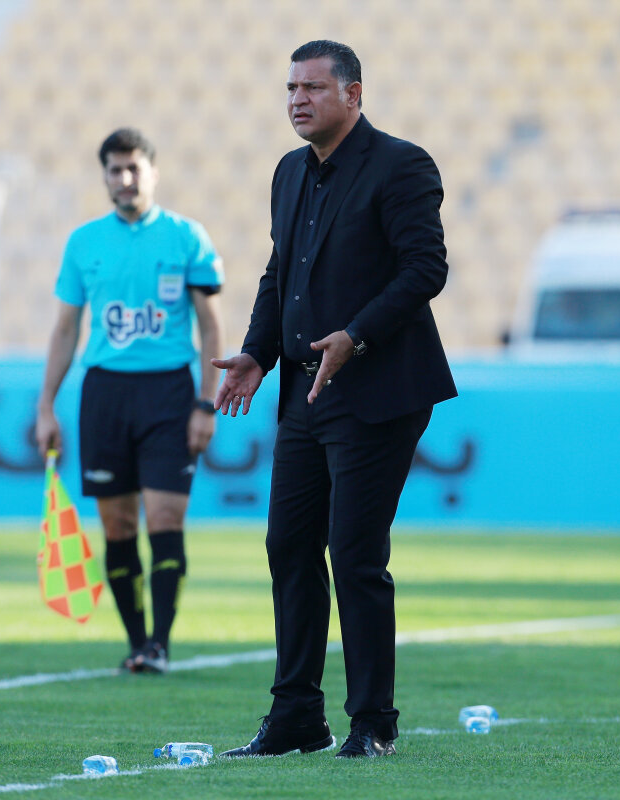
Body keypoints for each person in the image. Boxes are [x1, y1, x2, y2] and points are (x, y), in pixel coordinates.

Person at [213, 41, 457, 759]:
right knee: (289, 545)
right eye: (291, 88)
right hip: (304, 393)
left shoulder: (402, 165)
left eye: (313, 88)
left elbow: (426, 268)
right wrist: (258, 353)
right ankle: (297, 716)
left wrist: (356, 336)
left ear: (353, 94)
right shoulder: (289, 172)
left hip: (378, 391)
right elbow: (279, 273)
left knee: (354, 555)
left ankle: (373, 721)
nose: (298, 100)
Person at [35, 128, 224, 674]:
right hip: (106, 394)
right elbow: (65, 330)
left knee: (165, 516)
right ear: (104, 176)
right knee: (117, 527)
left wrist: (205, 404)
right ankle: (137, 642)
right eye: (115, 170)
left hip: (169, 393)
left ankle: (159, 644)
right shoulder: (84, 243)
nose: (124, 179)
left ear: (152, 172)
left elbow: (212, 328)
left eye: (133, 168)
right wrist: (46, 405)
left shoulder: (186, 237)